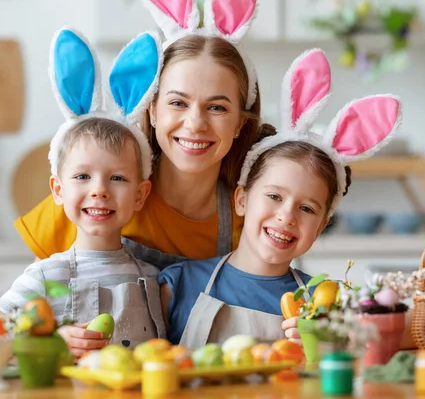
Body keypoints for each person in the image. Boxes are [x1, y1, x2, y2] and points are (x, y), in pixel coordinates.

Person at [13, 0, 265, 269]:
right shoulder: (94, 186)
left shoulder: (250, 213)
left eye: (217, 107)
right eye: (177, 102)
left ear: (240, 124)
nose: (195, 123)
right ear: (152, 110)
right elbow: (36, 300)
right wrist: (61, 321)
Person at [158, 49, 403, 349]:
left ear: (321, 226)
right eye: (274, 196)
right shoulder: (178, 286)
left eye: (306, 208)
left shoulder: (327, 304)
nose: (287, 216)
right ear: (241, 200)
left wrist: (331, 343)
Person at [0, 29, 167, 358]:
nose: (99, 191)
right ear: (58, 190)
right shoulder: (48, 278)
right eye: (82, 176)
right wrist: (52, 342)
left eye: (117, 178)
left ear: (141, 195)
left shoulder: (154, 278)